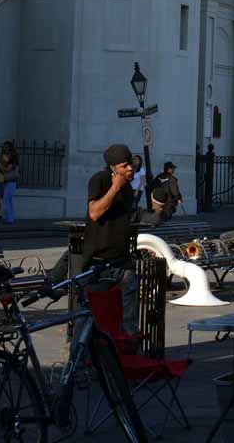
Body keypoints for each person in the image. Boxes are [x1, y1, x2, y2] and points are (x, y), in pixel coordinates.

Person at [82, 143, 138, 334]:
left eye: (131, 163)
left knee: (128, 319)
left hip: (122, 262)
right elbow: (94, 213)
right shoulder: (100, 180)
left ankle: (128, 355)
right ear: (113, 167)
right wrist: (114, 188)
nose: (130, 168)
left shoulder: (129, 188)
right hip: (99, 263)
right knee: (94, 319)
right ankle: (86, 359)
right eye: (124, 165)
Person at [0, 141, 19, 225]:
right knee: (8, 200)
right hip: (8, 182)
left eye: (6, 147)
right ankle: (10, 218)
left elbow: (6, 170)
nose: (4, 148)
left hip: (11, 182)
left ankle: (9, 219)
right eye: (4, 147)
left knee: (6, 200)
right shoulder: (8, 157)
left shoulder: (12, 159)